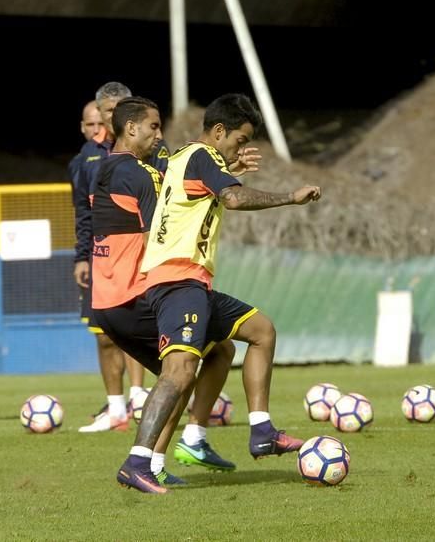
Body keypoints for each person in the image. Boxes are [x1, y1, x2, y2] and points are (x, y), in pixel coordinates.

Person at [116, 93, 322, 493]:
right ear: (219, 131)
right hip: (178, 283)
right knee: (178, 373)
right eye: (240, 140)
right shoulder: (202, 155)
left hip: (190, 282)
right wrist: (289, 198)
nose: (241, 147)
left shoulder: (185, 158)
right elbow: (233, 196)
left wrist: (229, 166)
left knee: (261, 331)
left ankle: (261, 431)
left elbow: (201, 189)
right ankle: (137, 461)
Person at [90, 96, 236, 489]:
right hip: (135, 294)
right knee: (186, 368)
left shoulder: (111, 168)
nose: (160, 134)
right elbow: (163, 228)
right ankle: (155, 456)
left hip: (109, 299)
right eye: (153, 127)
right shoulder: (138, 174)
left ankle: (155, 462)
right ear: (130, 128)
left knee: (196, 363)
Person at [72, 82, 167, 433]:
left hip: (140, 259)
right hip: (103, 259)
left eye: (118, 110)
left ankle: (140, 394)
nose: (112, 117)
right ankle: (116, 408)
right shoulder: (87, 159)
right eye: (107, 112)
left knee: (139, 328)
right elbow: (83, 211)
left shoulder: (151, 150)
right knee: (103, 332)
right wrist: (82, 256)